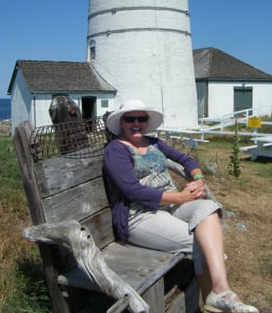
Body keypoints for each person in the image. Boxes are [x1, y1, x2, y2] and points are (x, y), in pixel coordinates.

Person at [103, 99, 258, 313]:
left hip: (169, 206)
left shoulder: (154, 142)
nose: (136, 122)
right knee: (203, 244)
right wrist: (181, 197)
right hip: (139, 216)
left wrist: (199, 179)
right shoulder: (116, 150)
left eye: (142, 118)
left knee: (208, 209)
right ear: (121, 122)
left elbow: (187, 159)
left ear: (147, 122)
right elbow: (132, 191)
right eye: (130, 118)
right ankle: (213, 302)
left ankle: (221, 292)